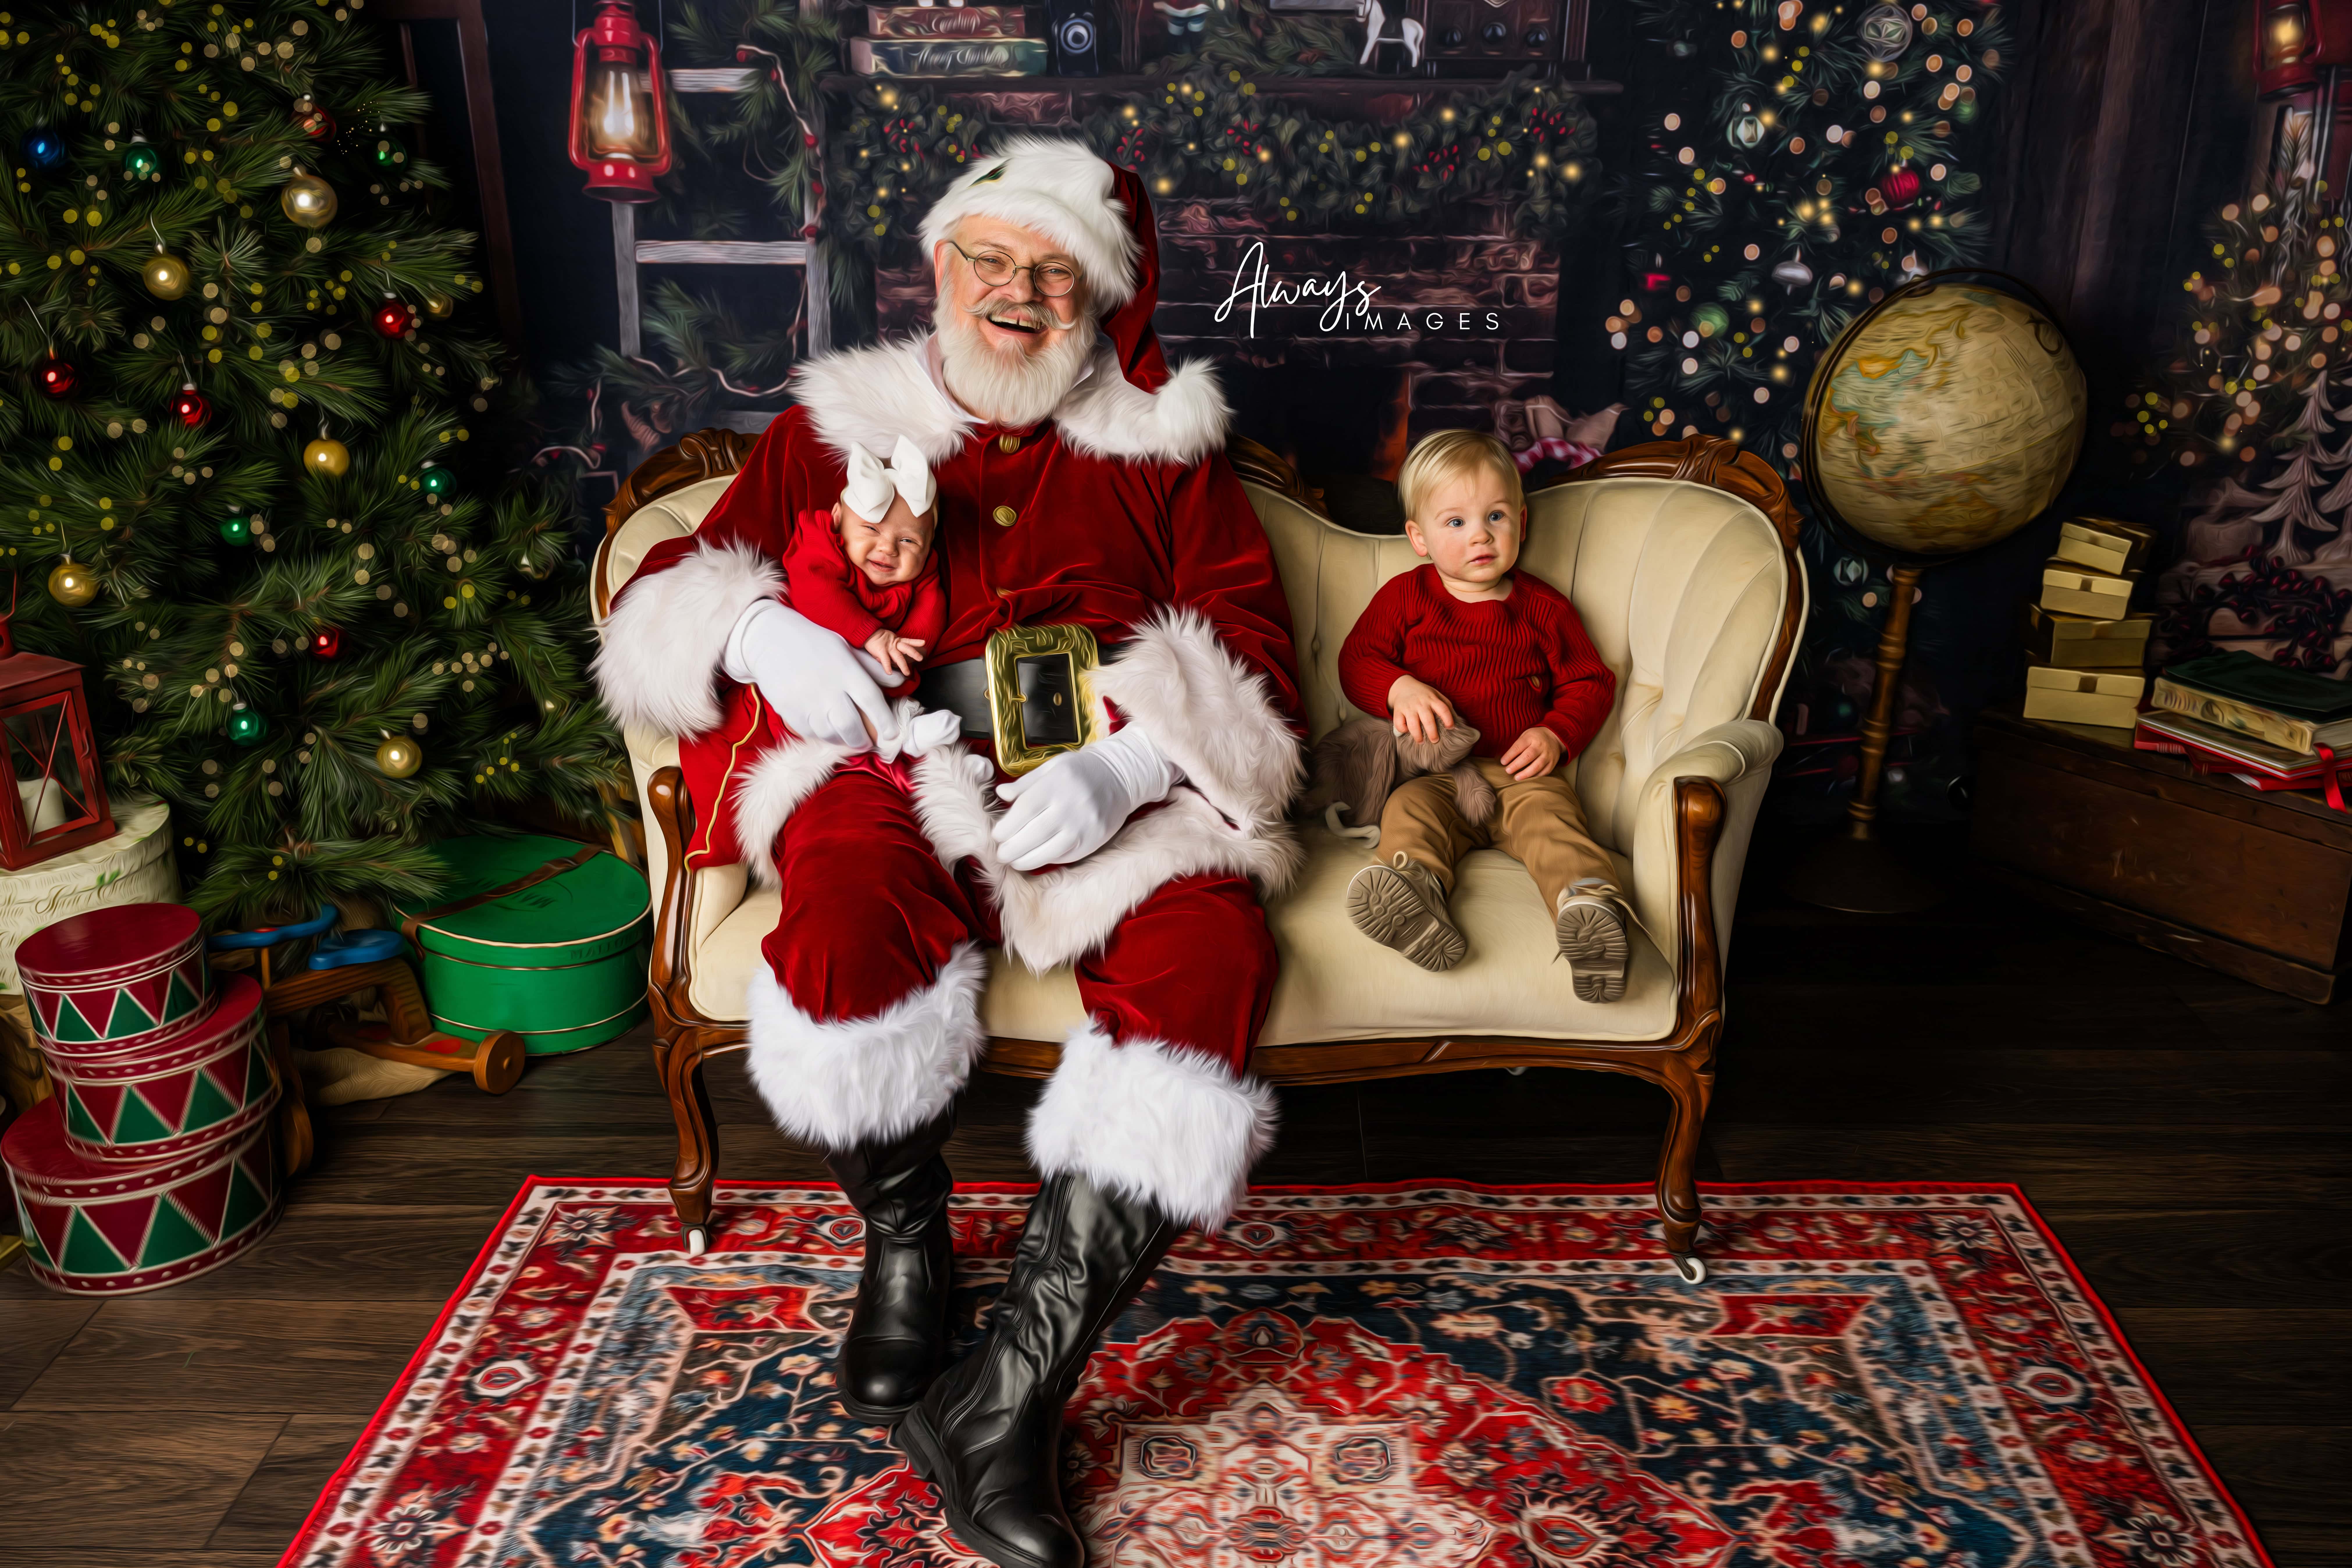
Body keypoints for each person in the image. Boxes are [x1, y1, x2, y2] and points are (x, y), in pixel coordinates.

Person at [592, 136, 1302, 1568]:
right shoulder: (833, 425)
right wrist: (759, 630)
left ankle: (1003, 1396)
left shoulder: (1165, 448)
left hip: (1099, 789)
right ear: (939, 266)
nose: (1015, 292)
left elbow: (1251, 654)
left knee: (1211, 952)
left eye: (1054, 271)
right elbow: (673, 594)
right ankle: (906, 1242)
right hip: (892, 760)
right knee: (843, 915)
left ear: (1101, 297)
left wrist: (1134, 763)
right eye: (989, 257)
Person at [1334, 429, 1632, 999]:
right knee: (1408, 811)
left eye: (1496, 516)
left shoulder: (1543, 607)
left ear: (1521, 520)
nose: (1481, 535)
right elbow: (1358, 659)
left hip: (1522, 776)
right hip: (1438, 776)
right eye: (1456, 522)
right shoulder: (1406, 597)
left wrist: (1556, 732)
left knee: (1553, 824)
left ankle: (1589, 906)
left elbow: (1589, 681)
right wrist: (1399, 688)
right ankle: (1414, 892)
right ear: (1419, 538)